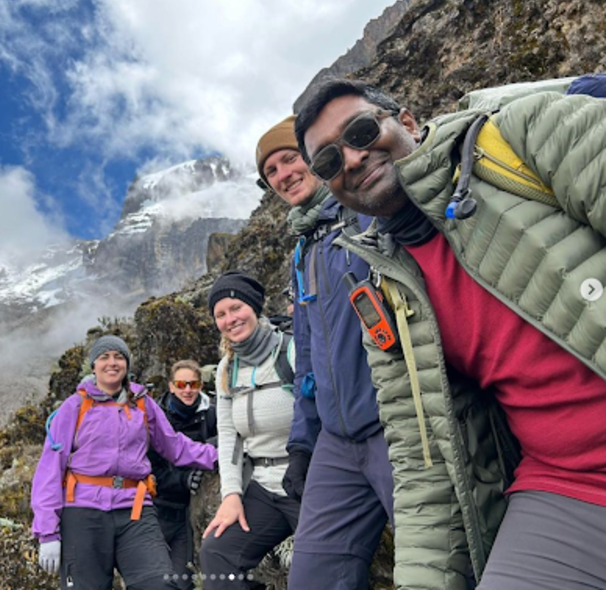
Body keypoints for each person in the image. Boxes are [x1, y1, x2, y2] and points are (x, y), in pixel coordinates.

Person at [294, 77, 606, 590]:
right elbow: (424, 467)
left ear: (407, 121)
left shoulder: (522, 139)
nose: (350, 159)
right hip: (566, 489)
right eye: (328, 162)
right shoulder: (386, 294)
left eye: (362, 130)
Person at [256, 116, 394, 588]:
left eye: (290, 159)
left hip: (395, 427)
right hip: (337, 439)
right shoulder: (305, 248)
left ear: (316, 157)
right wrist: (301, 442)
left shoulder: (366, 210)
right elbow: (309, 360)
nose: (282, 175)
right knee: (312, 578)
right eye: (271, 171)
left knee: (444, 566)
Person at [31, 335, 218, 590]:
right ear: (93, 365)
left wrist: (220, 456)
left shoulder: (143, 403)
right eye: (104, 357)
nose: (112, 363)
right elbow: (49, 470)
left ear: (127, 365)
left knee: (159, 584)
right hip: (83, 511)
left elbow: (175, 446)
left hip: (135, 508)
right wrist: (48, 533)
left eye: (119, 357)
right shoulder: (74, 407)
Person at [199, 271, 300, 590]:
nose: (230, 319)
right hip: (263, 487)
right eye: (221, 314)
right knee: (217, 553)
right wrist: (231, 495)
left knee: (318, 570)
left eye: (236, 308)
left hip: (307, 482)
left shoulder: (293, 352)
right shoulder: (227, 369)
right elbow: (229, 438)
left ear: (255, 307)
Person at [148, 360, 217, 590]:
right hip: (157, 510)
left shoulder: (213, 415)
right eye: (181, 384)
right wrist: (184, 480)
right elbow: (151, 469)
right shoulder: (156, 418)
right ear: (171, 386)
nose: (187, 390)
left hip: (193, 514)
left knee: (182, 581)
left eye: (193, 383)